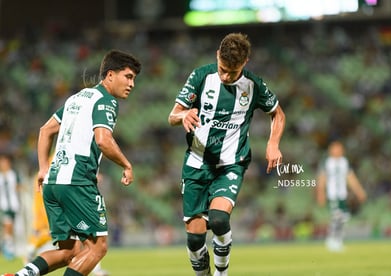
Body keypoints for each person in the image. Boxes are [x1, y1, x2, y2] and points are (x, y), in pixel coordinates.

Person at [3, 49, 141, 276]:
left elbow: (45, 130)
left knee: (69, 251)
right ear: (109, 75)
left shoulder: (76, 98)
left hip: (53, 183)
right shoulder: (106, 101)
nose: (132, 84)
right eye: (128, 76)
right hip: (76, 182)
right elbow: (103, 140)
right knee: (98, 248)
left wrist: (43, 168)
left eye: (133, 78)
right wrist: (127, 164)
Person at [168, 33, 285, 276]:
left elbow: (278, 113)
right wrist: (183, 116)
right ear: (217, 56)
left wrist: (273, 144)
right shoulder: (201, 76)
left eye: (233, 72)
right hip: (196, 164)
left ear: (246, 62)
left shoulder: (253, 85)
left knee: (219, 220)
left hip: (231, 164)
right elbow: (172, 115)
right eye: (222, 69)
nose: (226, 76)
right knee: (195, 239)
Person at [316, 140, 367, 252]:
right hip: (332, 194)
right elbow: (322, 179)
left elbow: (350, 178)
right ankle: (333, 240)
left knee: (344, 217)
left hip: (342, 194)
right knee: (337, 216)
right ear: (330, 150)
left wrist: (359, 191)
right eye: (335, 148)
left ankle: (336, 239)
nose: (338, 151)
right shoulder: (327, 162)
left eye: (339, 148)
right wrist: (321, 193)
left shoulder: (344, 162)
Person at [0, 154, 22, 260]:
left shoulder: (14, 174)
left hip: (14, 205)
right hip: (3, 206)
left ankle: (7, 247)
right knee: (8, 226)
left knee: (11, 228)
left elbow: (19, 186)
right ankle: (8, 249)